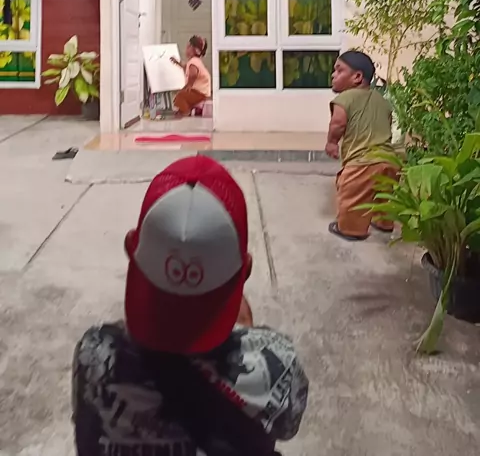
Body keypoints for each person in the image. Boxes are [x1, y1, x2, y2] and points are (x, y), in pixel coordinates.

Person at [72, 155, 309, 456]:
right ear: (246, 269)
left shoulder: (94, 354)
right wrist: (245, 337)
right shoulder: (278, 362)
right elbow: (287, 426)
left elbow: (87, 442)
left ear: (131, 247)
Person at [325, 50, 399, 242]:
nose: (333, 74)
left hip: (361, 163)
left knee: (352, 196)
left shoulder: (345, 98)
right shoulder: (382, 101)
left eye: (339, 70)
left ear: (357, 77)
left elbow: (338, 123)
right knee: (385, 195)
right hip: (389, 160)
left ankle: (351, 230)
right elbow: (387, 123)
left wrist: (332, 142)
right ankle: (384, 223)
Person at [171, 35, 211, 116]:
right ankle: (191, 109)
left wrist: (188, 86)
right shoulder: (195, 61)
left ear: (194, 50)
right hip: (201, 92)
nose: (186, 49)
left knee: (180, 96)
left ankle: (186, 111)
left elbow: (193, 74)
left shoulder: (193, 62)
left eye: (188, 47)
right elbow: (186, 67)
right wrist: (177, 63)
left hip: (199, 93)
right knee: (183, 96)